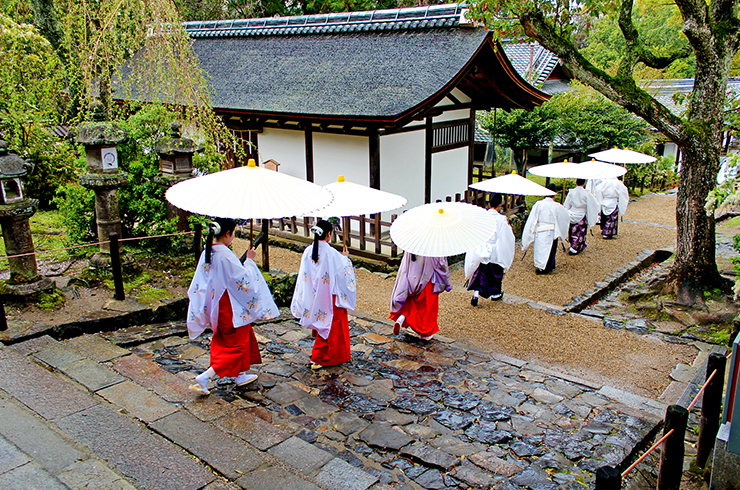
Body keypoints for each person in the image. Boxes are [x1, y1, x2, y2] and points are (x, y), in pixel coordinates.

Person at [187, 218, 279, 395]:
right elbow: (244, 283)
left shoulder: (209, 251)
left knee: (231, 339)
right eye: (234, 232)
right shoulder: (224, 255)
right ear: (227, 233)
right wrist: (250, 261)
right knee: (238, 345)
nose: (234, 236)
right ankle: (206, 376)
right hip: (230, 306)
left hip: (217, 304)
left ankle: (240, 374)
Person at [291, 220, 356, 369]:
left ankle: (320, 355)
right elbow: (343, 272)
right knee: (332, 326)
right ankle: (321, 357)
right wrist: (346, 258)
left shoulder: (309, 250)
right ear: (328, 234)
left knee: (322, 322)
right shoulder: (330, 252)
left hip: (313, 294)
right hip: (329, 296)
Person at [464, 193, 515, 304]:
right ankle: (496, 293)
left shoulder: (482, 217)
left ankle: (476, 294)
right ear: (499, 205)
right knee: (495, 275)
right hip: (495, 251)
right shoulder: (501, 219)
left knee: (480, 273)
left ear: (489, 203)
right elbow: (507, 237)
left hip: (483, 248)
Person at [389, 253, 451, 340]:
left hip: (413, 278)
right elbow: (441, 264)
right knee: (426, 307)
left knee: (411, 300)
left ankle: (402, 317)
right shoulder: (434, 247)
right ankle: (425, 334)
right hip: (428, 280)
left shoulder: (413, 246)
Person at [521, 185, 570, 274]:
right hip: (551, 230)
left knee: (540, 249)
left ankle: (541, 266)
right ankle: (548, 266)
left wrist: (529, 232)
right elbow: (565, 216)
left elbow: (532, 219)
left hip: (540, 230)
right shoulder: (557, 206)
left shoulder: (538, 204)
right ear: (554, 194)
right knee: (550, 249)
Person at [563, 178, 599, 255]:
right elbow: (594, 204)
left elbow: (567, 204)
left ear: (576, 182)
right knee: (580, 231)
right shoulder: (587, 193)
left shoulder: (571, 192)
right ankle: (576, 247)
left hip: (572, 212)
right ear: (584, 183)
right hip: (582, 213)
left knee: (573, 230)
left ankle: (573, 244)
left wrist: (565, 211)